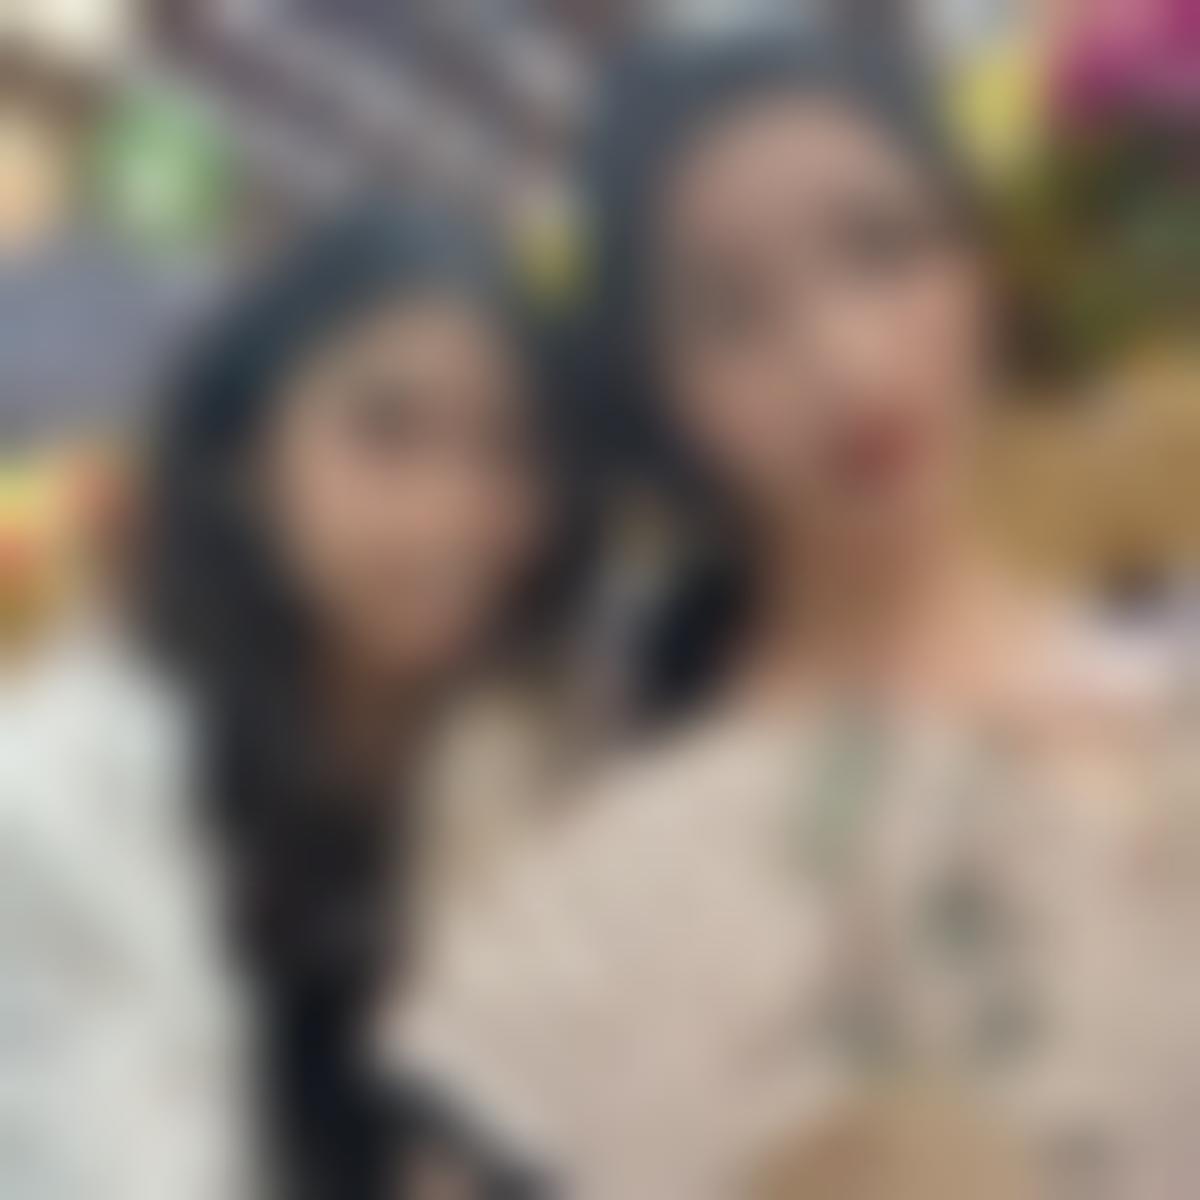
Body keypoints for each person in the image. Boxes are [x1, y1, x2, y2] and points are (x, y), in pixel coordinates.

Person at [387, 38, 1196, 1199]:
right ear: (663, 395)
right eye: (733, 316)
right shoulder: (575, 797)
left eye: (882, 247)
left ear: (976, 262)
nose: (843, 359)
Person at [150, 201, 583, 1200]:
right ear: (247, 459)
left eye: (509, 447)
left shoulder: (554, 759)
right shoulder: (127, 803)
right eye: (385, 432)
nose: (452, 510)